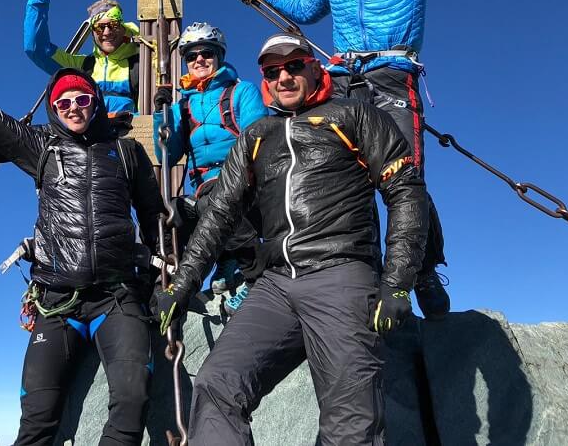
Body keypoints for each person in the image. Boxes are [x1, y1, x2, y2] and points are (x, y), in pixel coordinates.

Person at [238, 0, 487, 319]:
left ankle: (422, 270)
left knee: (402, 177)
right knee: (344, 179)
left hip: (393, 73)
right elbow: (307, 9)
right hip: (346, 82)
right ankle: (366, 271)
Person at [155, 33, 428, 445]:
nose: (283, 76)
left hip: (341, 273)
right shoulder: (257, 135)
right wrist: (183, 283)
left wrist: (397, 282)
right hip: (276, 284)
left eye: (294, 65)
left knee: (350, 418)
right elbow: (220, 215)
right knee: (216, 384)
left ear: (314, 67)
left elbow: (405, 189)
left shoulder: (354, 115)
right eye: (272, 71)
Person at [0, 14, 166, 446]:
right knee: (38, 418)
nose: (73, 109)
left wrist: (159, 283)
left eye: (81, 100)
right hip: (56, 301)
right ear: (53, 108)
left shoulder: (127, 151)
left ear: (95, 100)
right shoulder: (40, 146)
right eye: (63, 104)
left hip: (117, 296)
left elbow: (154, 216)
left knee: (132, 402)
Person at [152, 22, 267, 314]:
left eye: (206, 53)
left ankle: (258, 277)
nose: (199, 60)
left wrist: (236, 174)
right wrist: (161, 115)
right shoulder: (183, 106)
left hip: (242, 179)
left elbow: (257, 138)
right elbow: (167, 153)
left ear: (219, 55)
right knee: (171, 213)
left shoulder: (241, 92)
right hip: (204, 185)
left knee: (214, 201)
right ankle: (179, 278)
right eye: (192, 56)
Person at [24, 0, 141, 114]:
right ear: (92, 33)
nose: (107, 32)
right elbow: (37, 49)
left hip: (135, 132)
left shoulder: (142, 62)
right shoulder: (82, 67)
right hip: (91, 135)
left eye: (113, 25)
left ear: (123, 28)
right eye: (99, 27)